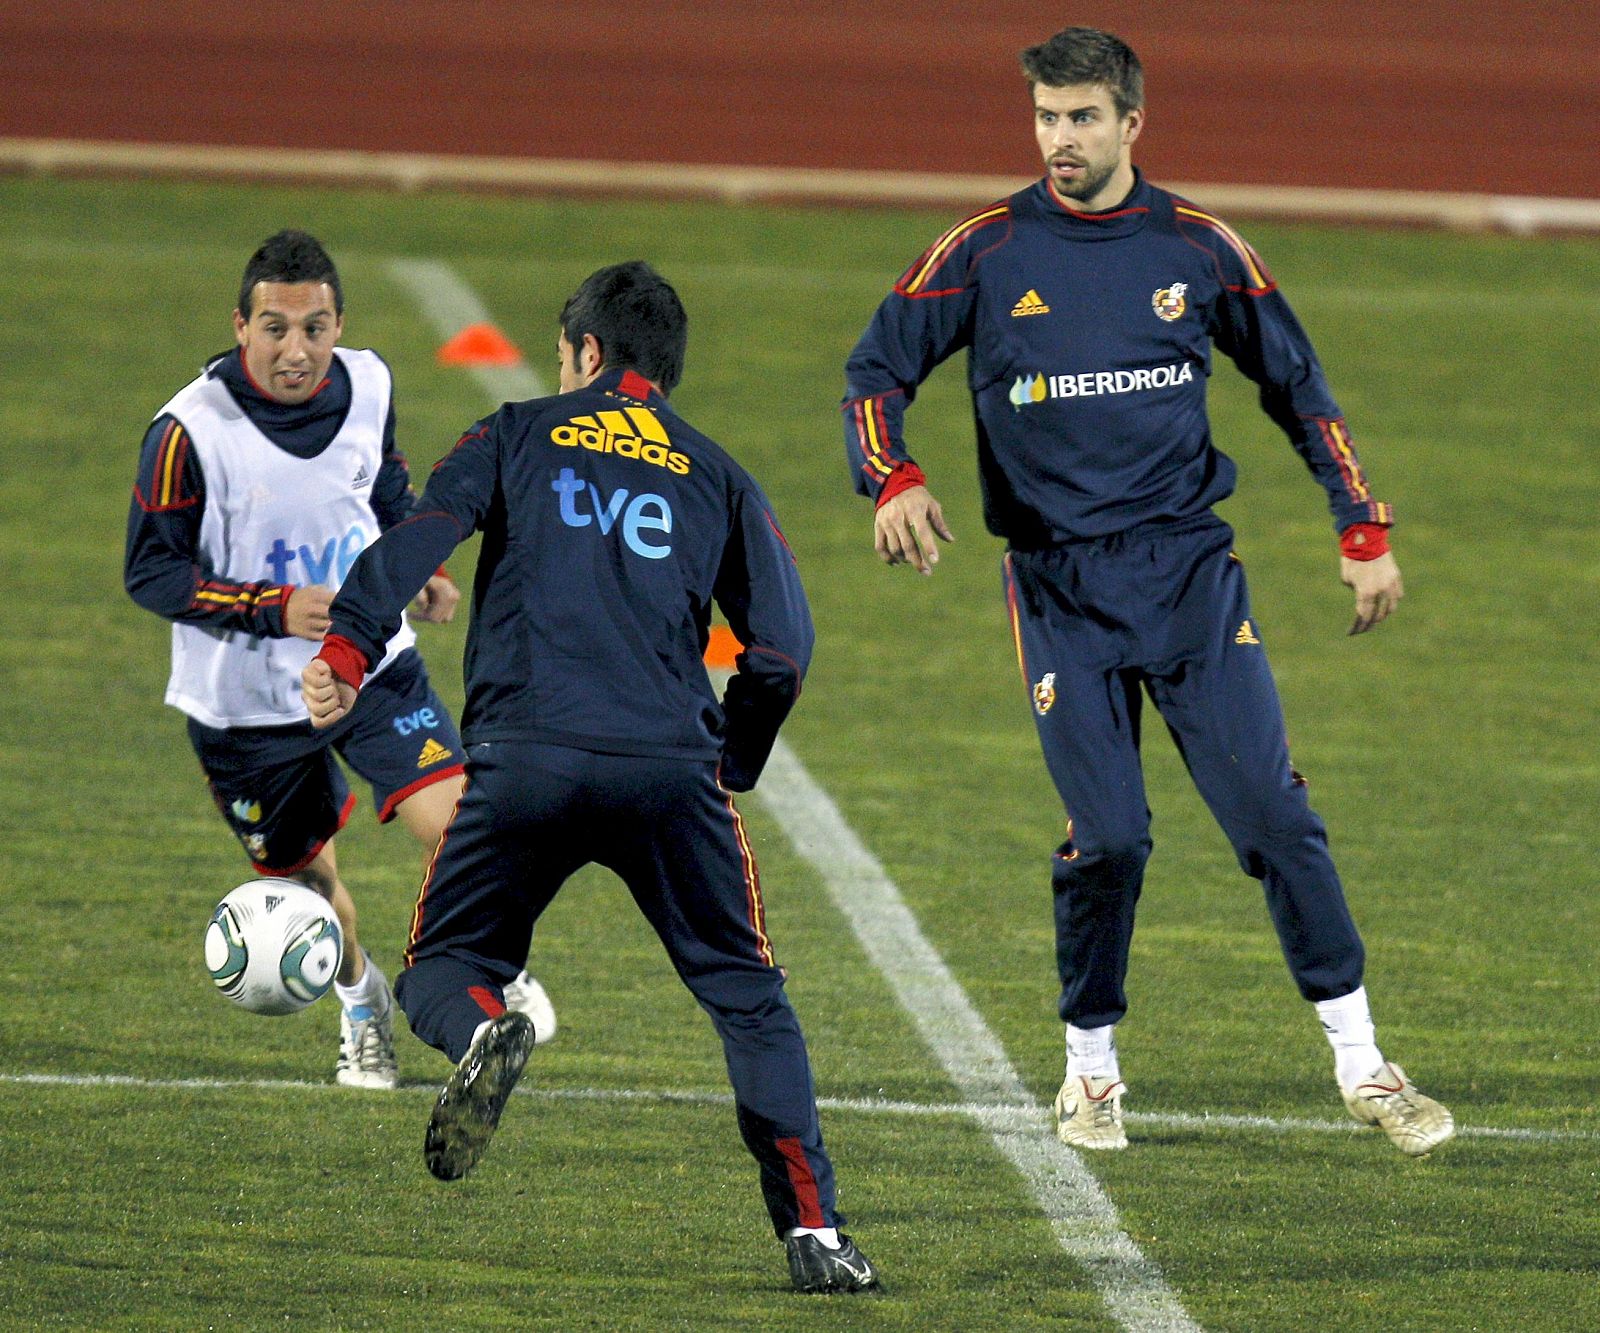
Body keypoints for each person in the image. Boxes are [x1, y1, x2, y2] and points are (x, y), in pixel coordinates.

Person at [840, 27, 1453, 1156]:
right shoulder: (980, 251)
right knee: (1111, 837)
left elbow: (1299, 389)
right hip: (1059, 587)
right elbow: (875, 372)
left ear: (1131, 123)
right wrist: (893, 479)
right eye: (1043, 117)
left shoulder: (1202, 248)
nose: (1058, 139)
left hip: (1188, 580)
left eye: (1080, 117)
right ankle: (1090, 1073)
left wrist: (1360, 523)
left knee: (1275, 817)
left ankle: (1365, 1065)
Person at [300, 261, 880, 1293]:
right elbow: (782, 651)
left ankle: (485, 1027)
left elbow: (416, 538)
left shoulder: (516, 431)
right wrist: (730, 760)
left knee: (445, 965)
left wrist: (345, 653)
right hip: (670, 771)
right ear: (665, 371)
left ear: (582, 352)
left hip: (526, 758)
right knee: (749, 1000)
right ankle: (816, 1230)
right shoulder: (718, 472)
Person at [126, 229, 554, 1091]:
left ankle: (492, 971)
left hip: (370, 661)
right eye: (275, 328)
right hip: (244, 704)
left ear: (339, 324)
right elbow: (151, 570)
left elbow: (382, 479)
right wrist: (273, 607)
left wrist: (416, 560)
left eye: (315, 327)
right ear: (240, 326)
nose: (297, 350)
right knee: (310, 886)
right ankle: (364, 1004)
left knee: (469, 823)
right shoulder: (186, 432)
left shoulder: (369, 383)